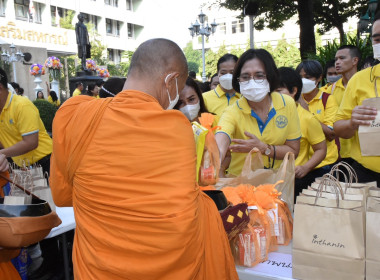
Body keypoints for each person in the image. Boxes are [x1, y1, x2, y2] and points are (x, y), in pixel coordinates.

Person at [49, 38, 238, 280]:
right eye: (178, 91)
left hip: (98, 268)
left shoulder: (75, 114)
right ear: (170, 81)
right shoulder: (176, 127)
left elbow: (63, 196)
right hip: (171, 268)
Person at [215, 49, 301, 177]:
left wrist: (264, 148)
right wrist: (213, 160)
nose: (252, 81)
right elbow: (220, 141)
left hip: (277, 184)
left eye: (259, 75)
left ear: (271, 77)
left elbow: (293, 151)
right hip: (240, 187)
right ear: (238, 80)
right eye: (245, 77)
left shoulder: (287, 103)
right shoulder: (232, 112)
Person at [334, 12, 380, 186]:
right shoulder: (360, 80)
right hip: (367, 176)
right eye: (377, 39)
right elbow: (339, 128)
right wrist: (353, 122)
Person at [277, 67, 327, 198]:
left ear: (294, 91)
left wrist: (306, 167)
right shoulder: (267, 116)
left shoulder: (307, 119)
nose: (273, 96)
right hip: (271, 178)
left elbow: (321, 149)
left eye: (278, 91)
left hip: (296, 181)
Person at [0, 68, 52, 174]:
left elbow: (31, 142)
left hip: (46, 162)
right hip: (23, 167)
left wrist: (3, 153)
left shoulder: (21, 105)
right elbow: (5, 141)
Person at [296, 60, 339, 173]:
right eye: (300, 77)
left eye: (308, 77)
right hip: (301, 164)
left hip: (325, 164)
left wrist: (308, 113)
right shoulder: (294, 100)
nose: (303, 81)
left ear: (319, 78)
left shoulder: (327, 99)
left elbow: (331, 134)